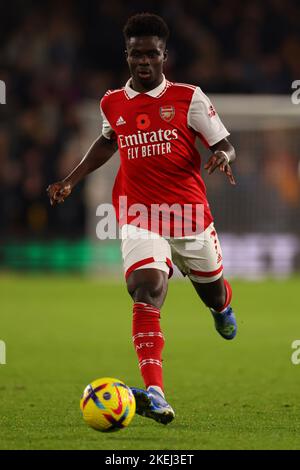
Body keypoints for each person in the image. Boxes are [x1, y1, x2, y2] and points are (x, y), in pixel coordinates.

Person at [47, 13, 237, 425]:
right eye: (137, 54)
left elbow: (224, 142)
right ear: (127, 55)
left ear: (165, 55)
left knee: (214, 296)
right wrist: (70, 180)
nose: (144, 61)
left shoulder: (190, 98)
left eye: (152, 53)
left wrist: (222, 155)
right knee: (145, 289)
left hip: (189, 215)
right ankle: (155, 391)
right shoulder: (112, 102)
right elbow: (106, 141)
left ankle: (221, 309)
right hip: (138, 213)